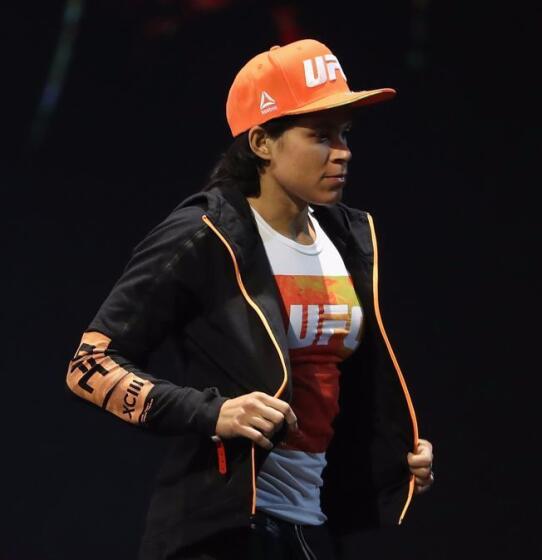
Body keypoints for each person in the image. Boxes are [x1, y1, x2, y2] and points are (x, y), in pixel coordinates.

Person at [65, 38, 434, 560]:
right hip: (220, 533)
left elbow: (330, 381)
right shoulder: (203, 234)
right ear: (262, 141)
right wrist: (212, 413)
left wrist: (393, 453)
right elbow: (88, 367)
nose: (343, 152)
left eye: (345, 134)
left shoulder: (349, 238)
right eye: (320, 136)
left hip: (314, 527)